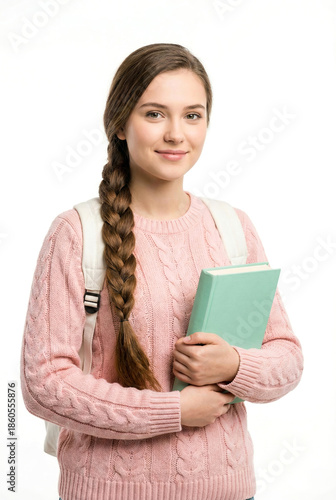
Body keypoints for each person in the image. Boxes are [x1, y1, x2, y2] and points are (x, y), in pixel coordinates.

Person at [20, 43, 303, 500]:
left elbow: (287, 357)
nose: (176, 133)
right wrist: (173, 410)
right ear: (119, 125)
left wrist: (234, 364)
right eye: (155, 114)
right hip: (108, 492)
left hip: (228, 490)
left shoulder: (232, 227)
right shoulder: (76, 233)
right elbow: (43, 385)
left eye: (193, 115)